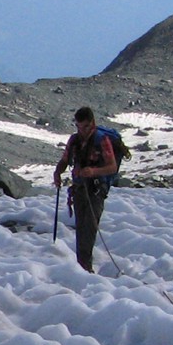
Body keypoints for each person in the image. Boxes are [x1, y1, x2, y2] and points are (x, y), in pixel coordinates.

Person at [53, 106, 122, 271]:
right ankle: (82, 266)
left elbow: (112, 167)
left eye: (84, 126)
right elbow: (65, 160)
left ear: (92, 123)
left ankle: (85, 267)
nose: (81, 130)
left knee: (89, 228)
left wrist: (93, 172)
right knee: (81, 228)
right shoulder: (74, 140)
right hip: (78, 188)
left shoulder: (102, 140)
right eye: (78, 126)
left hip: (96, 190)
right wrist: (58, 172)